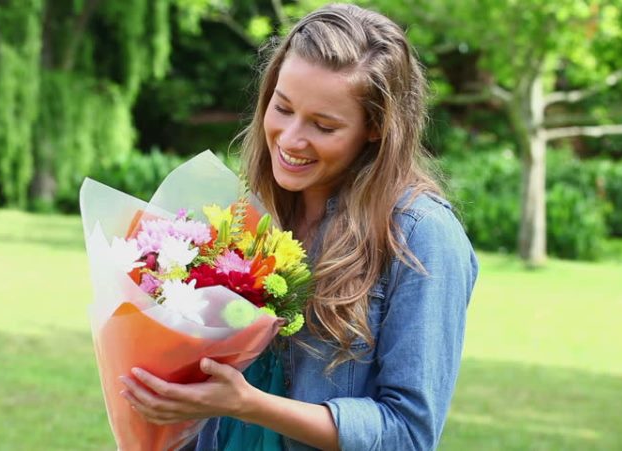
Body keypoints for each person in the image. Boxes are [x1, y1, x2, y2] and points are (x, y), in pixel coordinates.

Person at [119, 3, 479, 450]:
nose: (290, 139)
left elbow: (408, 435)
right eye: (283, 108)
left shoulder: (421, 235)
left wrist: (247, 403)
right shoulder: (244, 215)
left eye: (324, 126)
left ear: (376, 129)